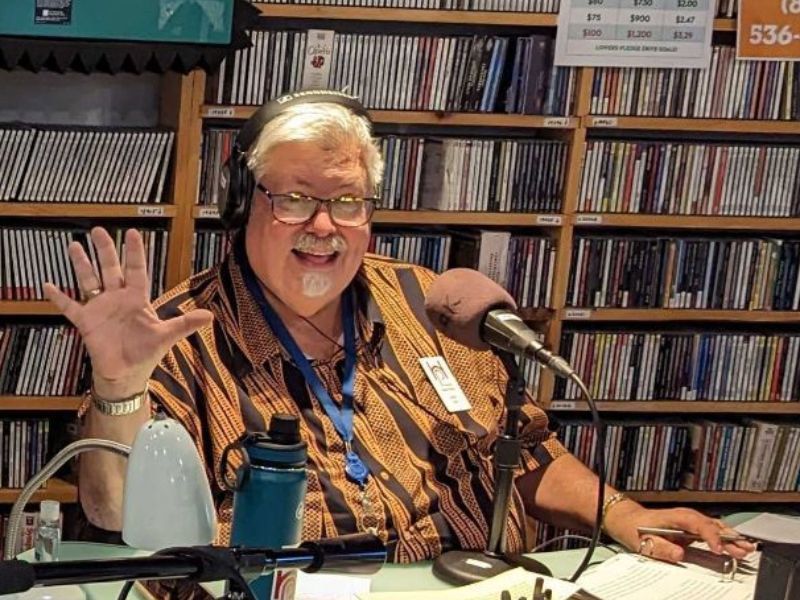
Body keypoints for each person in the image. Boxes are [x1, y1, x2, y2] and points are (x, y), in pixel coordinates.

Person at [44, 90, 753, 566]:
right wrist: (118, 382)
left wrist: (623, 515)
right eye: (295, 199)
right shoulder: (173, 335)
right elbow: (112, 510)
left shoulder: (430, 303)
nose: (324, 226)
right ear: (242, 205)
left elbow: (525, 451)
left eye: (347, 201)